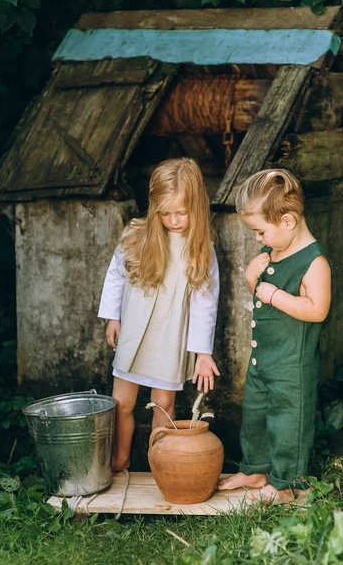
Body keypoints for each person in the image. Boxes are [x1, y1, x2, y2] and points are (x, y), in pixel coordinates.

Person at [98, 158, 220, 471]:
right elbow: (116, 274)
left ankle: (159, 466)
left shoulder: (200, 248)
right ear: (154, 209)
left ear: (197, 204)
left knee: (163, 405)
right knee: (122, 403)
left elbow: (206, 301)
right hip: (135, 333)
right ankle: (119, 461)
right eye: (165, 213)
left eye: (182, 212)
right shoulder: (136, 235)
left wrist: (202, 353)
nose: (174, 220)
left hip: (170, 336)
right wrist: (113, 317)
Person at [218, 169, 331, 503]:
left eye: (260, 231)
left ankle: (285, 483)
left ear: (287, 221)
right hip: (263, 358)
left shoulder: (315, 262)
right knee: (255, 415)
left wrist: (270, 294)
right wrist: (252, 281)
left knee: (287, 424)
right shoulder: (275, 251)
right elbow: (264, 295)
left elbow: (317, 310)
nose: (257, 239)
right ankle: (255, 468)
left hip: (292, 366)